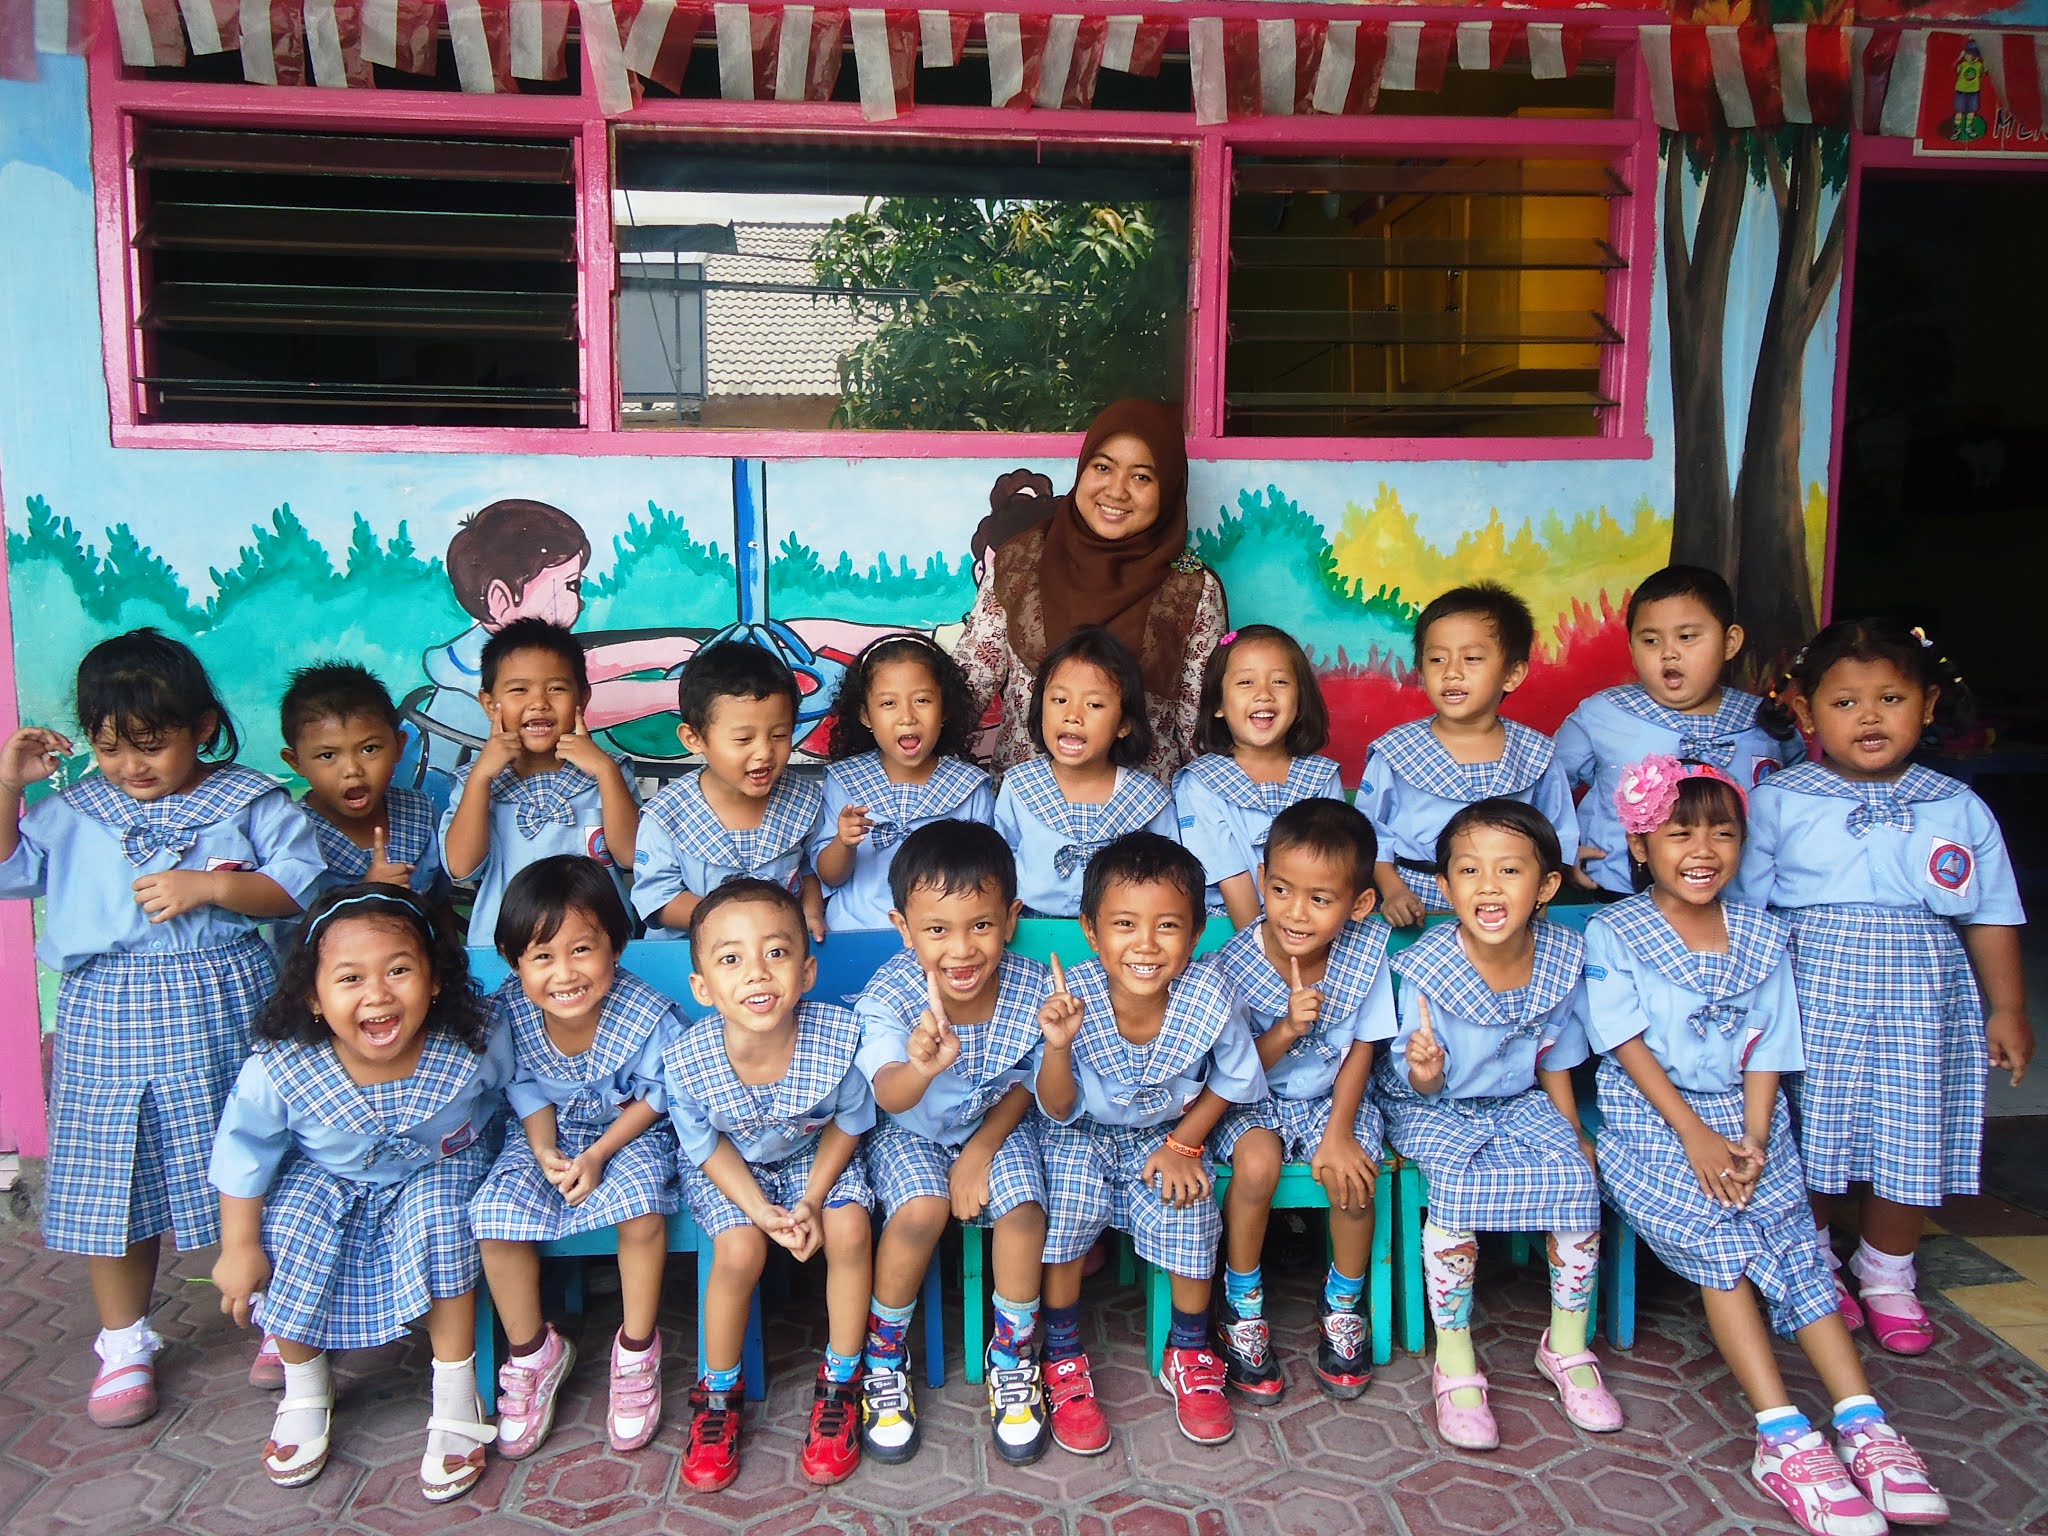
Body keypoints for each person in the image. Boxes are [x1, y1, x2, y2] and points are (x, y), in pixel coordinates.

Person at [1587, 757, 1948, 1536]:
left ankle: (1864, 1422)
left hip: (1747, 1114)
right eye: (1679, 833)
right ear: (1640, 846)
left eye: (1722, 833)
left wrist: (1755, 1134)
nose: (1703, 849)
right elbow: (1624, 1043)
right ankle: (1783, 1438)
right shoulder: (1617, 930)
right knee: (1724, 1241)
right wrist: (1697, 1137)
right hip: (1654, 1121)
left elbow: (1769, 1046)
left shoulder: (1760, 932)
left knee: (1792, 1244)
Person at [0, 628, 322, 1427]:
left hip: (226, 1003)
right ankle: (124, 1342)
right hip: (104, 1012)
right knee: (116, 1174)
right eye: (110, 747)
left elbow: (295, 886)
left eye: (151, 745)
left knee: (261, 1156)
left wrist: (211, 889)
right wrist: (7, 785)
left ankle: (281, 1311)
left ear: (203, 726)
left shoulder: (248, 800)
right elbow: (8, 869)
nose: (131, 766)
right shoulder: (72, 811)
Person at [1739, 619, 2031, 1356]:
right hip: (1808, 995)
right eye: (1844, 702)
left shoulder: (1956, 806)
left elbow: (1992, 912)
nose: (1868, 717)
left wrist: (2009, 1008)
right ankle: (1811, 1267)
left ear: (1927, 705)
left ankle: (1888, 1274)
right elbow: (1744, 912)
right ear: (1806, 713)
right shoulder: (1778, 800)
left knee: (1911, 1134)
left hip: (1923, 1002)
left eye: (1891, 698)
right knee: (1807, 1133)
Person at [209, 885, 512, 1501]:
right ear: (313, 997)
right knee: (289, 1225)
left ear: (434, 980)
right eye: (350, 978)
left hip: (441, 1167)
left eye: (399, 970)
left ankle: (456, 1393)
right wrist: (238, 1246)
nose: (377, 994)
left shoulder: (473, 1038)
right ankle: (304, 1385)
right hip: (329, 1174)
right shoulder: (282, 1065)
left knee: (442, 1220)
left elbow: (522, 1093)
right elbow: (244, 1151)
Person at [1377, 799, 1616, 1450]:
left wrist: (1572, 1130)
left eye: (1509, 870)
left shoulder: (1561, 955)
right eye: (1469, 871)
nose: (1488, 886)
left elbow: (1557, 1056)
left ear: (1546, 886)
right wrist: (1426, 1070)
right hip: (1433, 1105)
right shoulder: (1426, 966)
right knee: (1455, 1185)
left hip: (1518, 1099)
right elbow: (1415, 1080)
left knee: (1576, 1177)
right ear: (1445, 886)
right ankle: (1455, 1357)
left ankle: (1566, 1345)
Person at [1033, 833, 1266, 1453]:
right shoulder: (1069, 999)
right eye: (1124, 924)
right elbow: (1057, 1108)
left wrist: (1185, 1144)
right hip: (1080, 1136)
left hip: (1167, 1135)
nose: (1145, 943)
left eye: (1167, 926)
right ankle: (1060, 1352)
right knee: (1066, 1205)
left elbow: (1234, 1081)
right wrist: (1057, 1047)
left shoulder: (1209, 994)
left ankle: (1188, 1349)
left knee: (1189, 1204)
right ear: (1091, 931)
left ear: (1195, 935)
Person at [662, 879, 876, 1491]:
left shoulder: (839, 1039)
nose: (757, 972)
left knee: (849, 1227)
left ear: (806, 972)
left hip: (816, 1158)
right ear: (702, 987)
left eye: (776, 953)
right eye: (731, 959)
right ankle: (718, 1395)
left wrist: (811, 1198)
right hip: (734, 1170)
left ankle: (842, 1380)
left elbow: (849, 1123)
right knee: (739, 1249)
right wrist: (759, 1209)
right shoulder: (688, 1059)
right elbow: (705, 1147)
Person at [852, 822, 1052, 1466]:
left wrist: (980, 1150)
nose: (961, 949)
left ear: (1012, 918)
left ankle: (1013, 1358)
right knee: (921, 1208)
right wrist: (921, 1068)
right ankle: (884, 1357)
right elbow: (889, 1095)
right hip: (908, 1129)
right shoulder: (890, 994)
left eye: (981, 925)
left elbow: (1026, 1084)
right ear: (904, 928)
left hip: (996, 1125)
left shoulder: (1032, 987)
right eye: (937, 929)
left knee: (1024, 1210)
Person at [469, 856, 682, 1459]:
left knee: (639, 1208)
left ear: (616, 946)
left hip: (632, 1133)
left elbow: (661, 1094)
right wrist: (544, 1150)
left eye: (582, 949)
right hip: (545, 1135)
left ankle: (636, 1350)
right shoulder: (509, 1012)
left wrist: (600, 1152)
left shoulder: (646, 1012)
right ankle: (533, 1353)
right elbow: (523, 1088)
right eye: (542, 956)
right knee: (494, 1216)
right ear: (513, 961)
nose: (564, 973)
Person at [1208, 798, 1392, 1402]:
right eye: (1282, 890)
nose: (1296, 912)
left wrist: (1339, 1133)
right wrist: (1287, 1029)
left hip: (1332, 1099)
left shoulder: (1366, 954)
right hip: (1252, 1100)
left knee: (1354, 1176)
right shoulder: (1231, 964)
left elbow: (1362, 1048)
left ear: (1359, 904)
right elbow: (1235, 1072)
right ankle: (1242, 1302)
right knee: (1257, 1166)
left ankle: (1343, 1302)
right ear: (1262, 879)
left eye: (1321, 898)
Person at [953, 400, 1228, 778]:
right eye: (1103, 468)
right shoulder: (1019, 562)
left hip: (1142, 805)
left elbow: (1199, 727)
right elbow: (969, 686)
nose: (1117, 491)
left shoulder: (1192, 589)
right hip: (1027, 801)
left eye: (1141, 477)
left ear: (1169, 488)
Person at [1556, 565, 1803, 897]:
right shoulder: (1603, 714)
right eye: (1650, 640)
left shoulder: (1765, 720)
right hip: (1620, 895)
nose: (1668, 653)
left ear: (1730, 642)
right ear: (1631, 648)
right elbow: (1546, 786)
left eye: (1687, 637)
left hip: (1742, 901)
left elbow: (1798, 800)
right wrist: (1559, 850)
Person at [1362, 583, 1578, 927]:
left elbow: (1558, 834)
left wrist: (1538, 898)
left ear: (1512, 674)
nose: (1452, 672)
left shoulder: (1535, 753)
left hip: (1507, 901)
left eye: (1472, 658)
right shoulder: (1396, 751)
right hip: (1417, 899)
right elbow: (1368, 833)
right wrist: (1393, 890)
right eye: (1437, 659)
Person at [438, 617, 641, 942]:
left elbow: (631, 856)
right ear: (489, 704)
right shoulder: (474, 781)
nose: (539, 703)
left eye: (556, 688)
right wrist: (481, 779)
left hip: (598, 947)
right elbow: (461, 867)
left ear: (582, 698)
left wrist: (605, 773)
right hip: (503, 949)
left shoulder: (609, 771)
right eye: (519, 689)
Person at [633, 642, 828, 942]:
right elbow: (658, 897)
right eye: (743, 739)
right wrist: (738, 923)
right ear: (694, 738)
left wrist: (812, 913)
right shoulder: (667, 815)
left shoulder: (804, 800)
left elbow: (809, 870)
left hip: (779, 951)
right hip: (689, 956)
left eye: (779, 735)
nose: (764, 752)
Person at [991, 628, 1178, 918]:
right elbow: (1000, 861)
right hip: (1030, 926)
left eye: (1094, 704)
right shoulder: (1019, 785)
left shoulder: (1147, 797)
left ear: (1124, 724)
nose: (1073, 716)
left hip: (1121, 929)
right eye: (1059, 700)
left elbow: (1171, 872)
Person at [812, 634, 994, 933]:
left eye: (922, 700)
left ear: (945, 709)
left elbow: (984, 882)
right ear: (865, 715)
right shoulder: (844, 781)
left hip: (941, 937)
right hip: (856, 930)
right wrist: (844, 843)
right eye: (888, 703)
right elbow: (830, 876)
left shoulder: (970, 787)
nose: (907, 717)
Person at [1173, 624, 1344, 927]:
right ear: (1218, 704)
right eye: (1245, 682)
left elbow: (1333, 868)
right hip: (1235, 928)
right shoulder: (1200, 782)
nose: (1263, 694)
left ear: (1300, 701)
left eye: (1279, 681)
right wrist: (1264, 946)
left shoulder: (1322, 776)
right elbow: (1232, 878)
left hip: (1312, 925)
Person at [280, 661, 451, 908]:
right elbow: (295, 927)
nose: (352, 770)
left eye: (369, 749)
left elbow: (439, 905)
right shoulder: (290, 837)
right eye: (328, 755)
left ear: (399, 746)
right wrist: (365, 894)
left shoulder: (421, 812)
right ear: (296, 762)